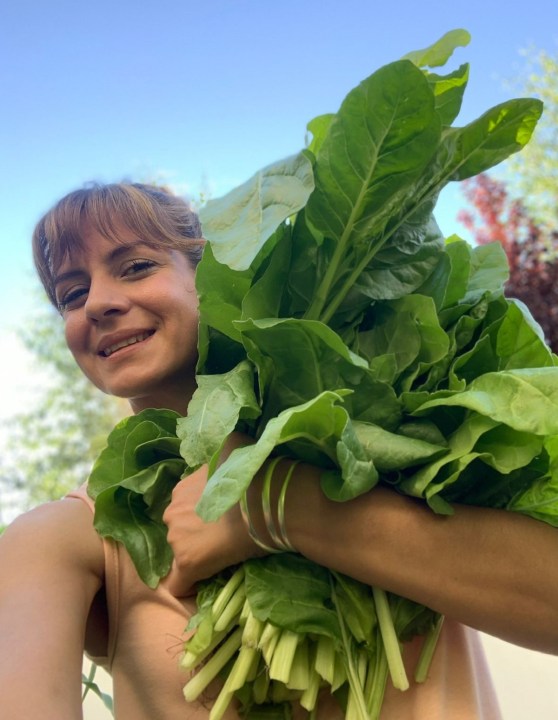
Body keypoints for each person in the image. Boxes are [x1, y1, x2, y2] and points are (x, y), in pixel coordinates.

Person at [1, 182, 557, 719]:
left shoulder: (370, 441)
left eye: (136, 266)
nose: (97, 303)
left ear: (213, 276)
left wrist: (278, 504)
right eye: (72, 295)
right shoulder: (63, 537)